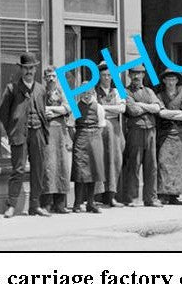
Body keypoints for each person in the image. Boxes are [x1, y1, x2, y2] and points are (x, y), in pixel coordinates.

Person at [0, 52, 50, 218]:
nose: (29, 71)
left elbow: (43, 111)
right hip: (20, 134)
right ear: (20, 69)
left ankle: (35, 205)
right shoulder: (12, 89)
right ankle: (11, 206)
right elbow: (3, 114)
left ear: (35, 69)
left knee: (38, 169)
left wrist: (43, 130)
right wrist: (12, 131)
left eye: (32, 68)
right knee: (18, 170)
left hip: (38, 133)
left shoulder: (41, 89)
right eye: (26, 68)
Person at [120, 66, 163, 207]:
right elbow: (133, 110)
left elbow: (157, 108)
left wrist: (141, 105)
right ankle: (132, 198)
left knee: (152, 166)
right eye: (134, 74)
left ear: (143, 75)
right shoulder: (125, 91)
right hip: (135, 130)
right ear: (129, 75)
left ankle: (151, 198)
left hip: (151, 130)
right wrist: (147, 107)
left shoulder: (149, 91)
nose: (136, 77)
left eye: (139, 73)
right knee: (134, 164)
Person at [156, 69, 182, 205]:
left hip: (181, 133)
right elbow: (161, 113)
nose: (170, 82)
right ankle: (164, 194)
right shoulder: (159, 96)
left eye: (173, 79)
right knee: (164, 162)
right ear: (164, 81)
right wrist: (179, 113)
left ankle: (174, 195)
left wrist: (171, 113)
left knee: (179, 163)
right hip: (165, 133)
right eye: (168, 79)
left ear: (177, 81)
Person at [40, 65, 72, 214]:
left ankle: (60, 203)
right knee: (48, 166)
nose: (51, 79)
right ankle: (47, 203)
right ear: (44, 78)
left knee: (61, 165)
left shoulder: (62, 91)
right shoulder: (41, 92)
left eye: (53, 76)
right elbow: (39, 109)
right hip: (46, 132)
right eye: (48, 76)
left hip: (60, 132)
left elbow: (68, 108)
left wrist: (52, 111)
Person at [71, 84, 106, 213]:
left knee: (93, 170)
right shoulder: (75, 106)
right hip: (80, 138)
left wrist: (93, 137)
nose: (86, 95)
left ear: (93, 92)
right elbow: (70, 126)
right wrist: (77, 138)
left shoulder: (99, 108)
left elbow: (101, 126)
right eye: (84, 92)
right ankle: (77, 204)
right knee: (79, 171)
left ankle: (90, 203)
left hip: (95, 139)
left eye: (89, 92)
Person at [96, 62, 126, 206]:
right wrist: (107, 109)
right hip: (100, 128)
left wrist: (103, 107)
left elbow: (122, 108)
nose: (107, 78)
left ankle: (111, 196)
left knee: (115, 160)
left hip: (115, 129)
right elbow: (95, 109)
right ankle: (98, 196)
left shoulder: (117, 90)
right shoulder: (95, 92)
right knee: (101, 160)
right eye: (104, 75)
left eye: (109, 75)